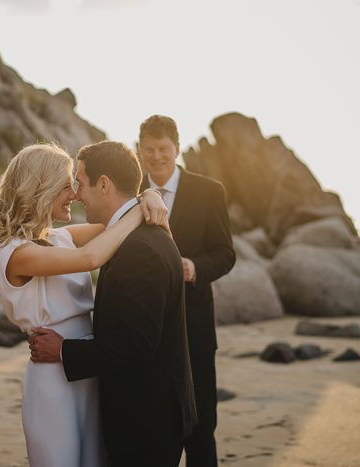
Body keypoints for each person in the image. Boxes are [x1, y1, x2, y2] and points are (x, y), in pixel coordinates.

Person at [0, 143, 169, 467]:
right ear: (42, 188)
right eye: (67, 185)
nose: (75, 194)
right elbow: (91, 257)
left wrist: (149, 196)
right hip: (54, 375)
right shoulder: (15, 252)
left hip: (86, 367)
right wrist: (141, 205)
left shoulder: (58, 238)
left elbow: (115, 221)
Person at [29, 141, 197, 466]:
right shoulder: (134, 235)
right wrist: (148, 195)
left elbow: (139, 342)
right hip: (152, 414)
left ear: (103, 184)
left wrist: (64, 351)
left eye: (80, 183)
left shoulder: (139, 249)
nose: (76, 194)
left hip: (147, 423)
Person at [138, 115, 236, 466]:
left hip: (194, 326)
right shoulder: (133, 195)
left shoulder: (211, 191)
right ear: (139, 150)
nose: (157, 156)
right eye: (149, 149)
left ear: (177, 149)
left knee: (200, 425)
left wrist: (194, 268)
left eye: (164, 148)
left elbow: (226, 254)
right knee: (151, 427)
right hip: (145, 328)